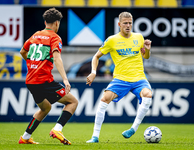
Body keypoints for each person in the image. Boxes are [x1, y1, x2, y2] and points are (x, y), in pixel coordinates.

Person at [86, 11, 152, 143]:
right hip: (121, 79)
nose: (128, 25)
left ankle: (133, 129)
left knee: (148, 94)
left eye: (130, 23)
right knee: (104, 99)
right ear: (119, 24)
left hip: (139, 78)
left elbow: (146, 56)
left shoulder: (139, 37)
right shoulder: (112, 40)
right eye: (125, 23)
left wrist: (148, 49)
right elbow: (96, 56)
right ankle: (95, 137)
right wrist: (93, 72)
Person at [19, 8, 78, 145]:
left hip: (30, 80)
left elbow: (23, 51)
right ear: (57, 23)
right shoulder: (55, 37)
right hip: (43, 80)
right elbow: (57, 58)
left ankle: (25, 137)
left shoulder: (35, 35)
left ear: (45, 22)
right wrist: (65, 79)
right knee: (73, 102)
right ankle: (57, 129)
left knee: (45, 108)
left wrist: (33, 62)